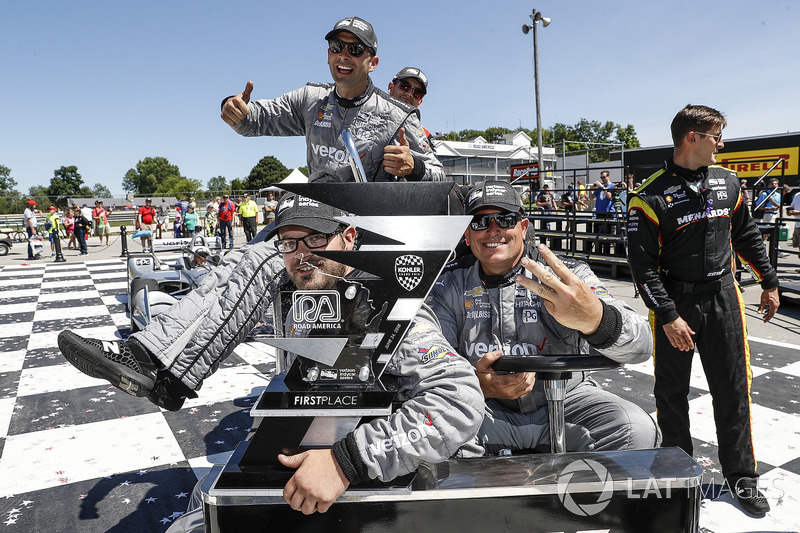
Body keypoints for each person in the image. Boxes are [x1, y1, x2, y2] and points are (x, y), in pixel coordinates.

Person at [57, 194, 484, 515]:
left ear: (350, 238)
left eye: (317, 238)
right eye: (289, 243)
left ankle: (160, 369)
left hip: (384, 488)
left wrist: (346, 460)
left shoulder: (390, 305)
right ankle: (156, 366)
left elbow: (459, 402)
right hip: (307, 472)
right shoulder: (292, 293)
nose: (302, 255)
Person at [427, 181, 659, 455]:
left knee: (635, 428)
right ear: (467, 234)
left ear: (523, 228)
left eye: (505, 219)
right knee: (426, 432)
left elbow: (642, 346)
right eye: (480, 222)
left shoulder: (567, 275)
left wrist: (597, 319)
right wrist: (475, 385)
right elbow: (430, 359)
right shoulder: (445, 283)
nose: (493, 230)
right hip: (484, 408)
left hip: (570, 400)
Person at [626, 104, 780, 517]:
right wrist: (669, 314)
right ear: (692, 138)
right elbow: (642, 267)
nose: (723, 144)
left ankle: (742, 477)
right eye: (717, 136)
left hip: (723, 296)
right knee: (672, 394)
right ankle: (677, 473)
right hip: (675, 302)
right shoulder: (649, 195)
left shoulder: (728, 182)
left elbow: (746, 235)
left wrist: (769, 281)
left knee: (733, 389)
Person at [220, 16, 444, 183]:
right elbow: (254, 120)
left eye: (355, 49)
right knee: (249, 249)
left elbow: (440, 176)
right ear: (328, 55)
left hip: (365, 226)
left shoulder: (399, 115)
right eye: (337, 47)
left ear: (373, 63)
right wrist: (233, 108)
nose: (344, 55)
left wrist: (414, 168)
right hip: (314, 218)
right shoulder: (309, 98)